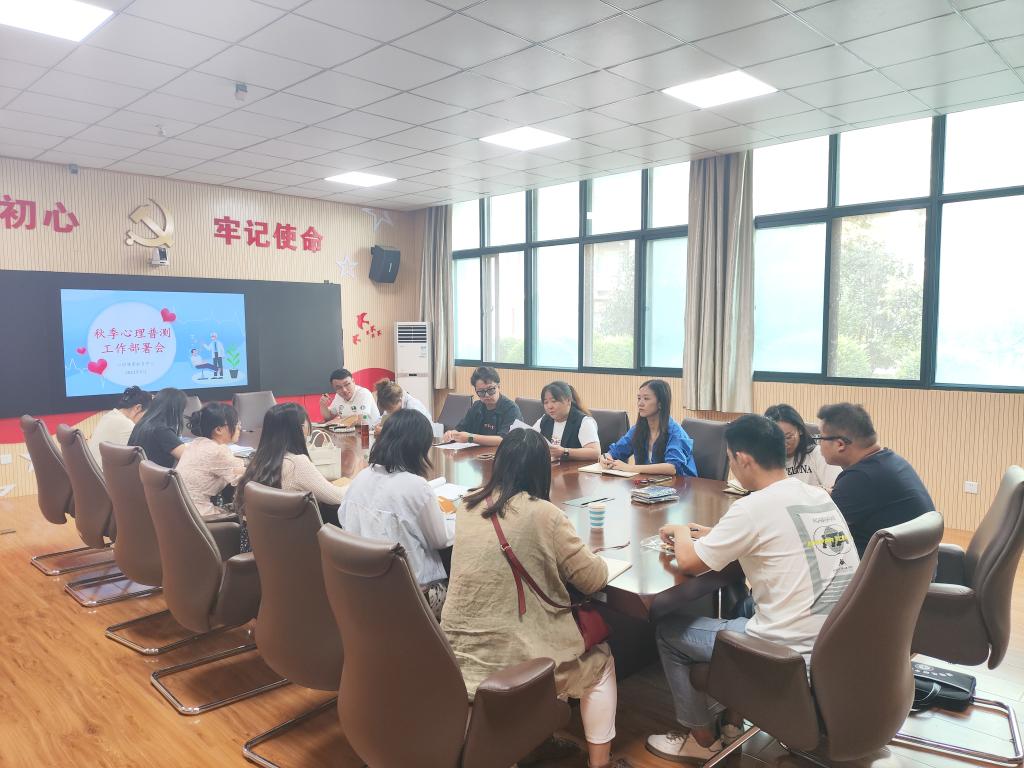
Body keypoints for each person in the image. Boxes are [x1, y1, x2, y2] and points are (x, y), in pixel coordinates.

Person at [647, 415, 859, 763]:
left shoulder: (751, 508)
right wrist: (716, 534)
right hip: (836, 646)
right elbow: (773, 534)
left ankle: (701, 739)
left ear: (743, 459)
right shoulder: (816, 495)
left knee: (668, 633)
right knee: (742, 606)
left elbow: (688, 563)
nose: (732, 466)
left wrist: (682, 531)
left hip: (785, 655)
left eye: (731, 459)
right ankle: (732, 722)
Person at [442, 429, 627, 768]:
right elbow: (592, 578)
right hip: (511, 661)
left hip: (454, 656)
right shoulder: (545, 514)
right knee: (600, 662)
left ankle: (535, 738)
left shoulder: (467, 505)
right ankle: (601, 763)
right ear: (542, 469)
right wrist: (594, 556)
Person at [339, 409, 453, 619]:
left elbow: (343, 520)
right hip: (415, 597)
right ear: (418, 447)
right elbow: (441, 540)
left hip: (362, 589)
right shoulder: (417, 487)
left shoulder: (361, 478)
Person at [817, 402, 935, 557]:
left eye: (820, 438)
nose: (819, 444)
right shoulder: (890, 461)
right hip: (913, 567)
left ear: (840, 444)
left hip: (880, 570)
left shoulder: (859, 479)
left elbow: (818, 531)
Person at [237, 402, 347, 519]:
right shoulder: (296, 463)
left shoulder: (259, 460)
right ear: (300, 428)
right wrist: (353, 485)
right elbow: (338, 497)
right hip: (297, 530)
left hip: (262, 530)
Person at [601, 380, 696, 477]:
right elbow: (615, 452)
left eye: (646, 399)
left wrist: (630, 468)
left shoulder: (675, 432)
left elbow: (672, 467)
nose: (640, 403)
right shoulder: (637, 429)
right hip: (648, 483)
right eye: (639, 398)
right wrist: (605, 458)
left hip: (680, 484)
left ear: (660, 403)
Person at [175, 402, 245, 518]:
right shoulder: (218, 451)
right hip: (197, 515)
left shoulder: (196, 443)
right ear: (218, 429)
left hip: (179, 510)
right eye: (236, 424)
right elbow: (243, 478)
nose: (239, 428)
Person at [764, 403, 840, 491]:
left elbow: (837, 490)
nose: (783, 443)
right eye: (777, 439)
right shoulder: (766, 462)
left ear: (800, 430)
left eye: (788, 437)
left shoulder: (818, 454)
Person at [442, 366, 520, 447]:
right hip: (477, 452)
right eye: (481, 392)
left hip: (501, 453)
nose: (487, 395)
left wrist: (470, 438)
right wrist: (452, 434)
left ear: (499, 387)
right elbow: (460, 429)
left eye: (491, 390)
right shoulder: (476, 407)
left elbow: (504, 440)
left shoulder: (511, 409)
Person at [532, 380, 601, 462]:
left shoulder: (584, 421)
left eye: (554, 401)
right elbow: (529, 439)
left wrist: (564, 452)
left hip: (574, 469)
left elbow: (595, 453)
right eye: (546, 402)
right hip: (550, 467)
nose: (549, 406)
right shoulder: (545, 419)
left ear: (568, 401)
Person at [88, 386, 153, 464]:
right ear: (138, 408)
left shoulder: (109, 416)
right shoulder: (128, 426)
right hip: (105, 471)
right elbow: (142, 461)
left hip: (94, 469)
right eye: (146, 414)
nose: (146, 419)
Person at [128, 387, 187, 468]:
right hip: (156, 475)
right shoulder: (161, 429)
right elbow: (188, 458)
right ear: (174, 409)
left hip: (141, 474)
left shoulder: (142, 423)